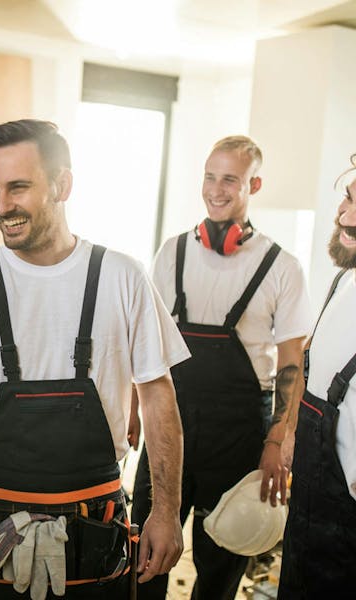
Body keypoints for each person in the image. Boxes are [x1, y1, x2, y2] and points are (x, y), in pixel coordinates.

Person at [0, 119, 190, 599]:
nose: (1, 205)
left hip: (96, 526)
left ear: (62, 185)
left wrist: (166, 511)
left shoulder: (123, 277)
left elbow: (157, 397)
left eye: (18, 187)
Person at [130, 135, 312, 599]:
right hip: (170, 425)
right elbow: (146, 340)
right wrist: (131, 407)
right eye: (210, 177)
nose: (216, 189)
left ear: (254, 184)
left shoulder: (281, 267)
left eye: (230, 179)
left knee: (220, 566)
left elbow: (292, 361)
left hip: (239, 435)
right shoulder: (172, 252)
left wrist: (278, 440)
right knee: (143, 557)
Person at [278, 155, 356, 597]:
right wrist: (290, 432)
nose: (344, 215)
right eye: (348, 198)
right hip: (308, 517)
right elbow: (312, 367)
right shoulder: (343, 282)